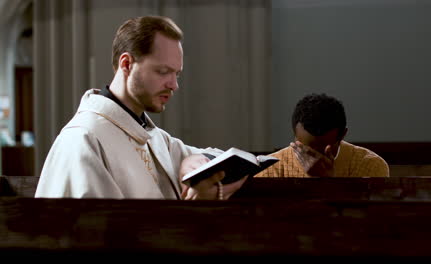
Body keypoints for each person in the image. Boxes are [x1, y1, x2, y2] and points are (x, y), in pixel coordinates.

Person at [35, 15, 247, 200]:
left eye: (177, 74)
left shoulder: (155, 138)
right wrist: (195, 210)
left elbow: (226, 158)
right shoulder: (84, 139)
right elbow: (95, 236)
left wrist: (194, 159)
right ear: (126, 64)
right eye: (163, 71)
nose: (174, 85)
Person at [255, 93, 389, 178]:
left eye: (324, 150)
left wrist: (327, 180)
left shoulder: (371, 165)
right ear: (295, 136)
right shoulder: (271, 168)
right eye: (306, 149)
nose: (315, 159)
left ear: (343, 135)